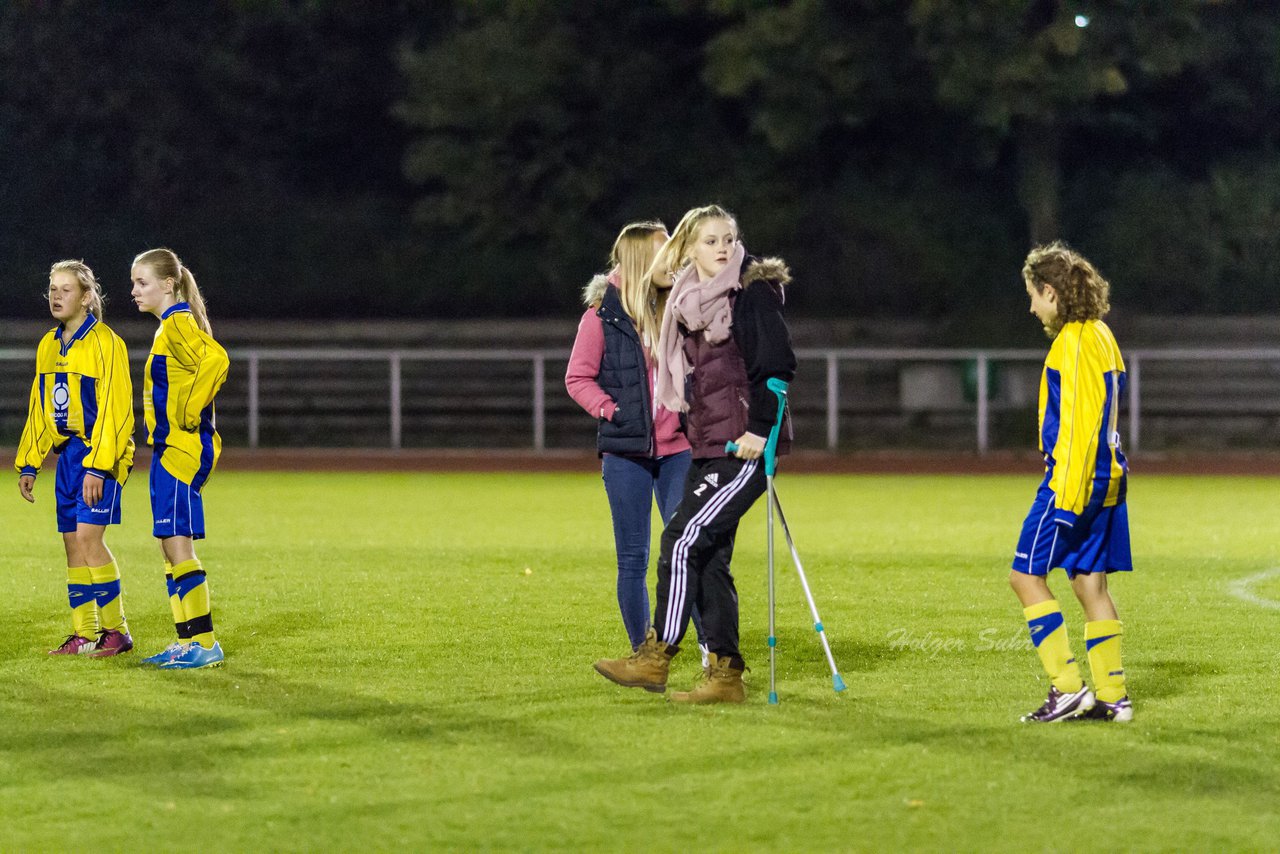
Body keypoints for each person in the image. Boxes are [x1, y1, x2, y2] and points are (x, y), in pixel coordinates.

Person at [593, 204, 796, 704]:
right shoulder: (686, 298)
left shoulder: (750, 293)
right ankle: (726, 676)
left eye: (728, 238)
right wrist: (674, 256)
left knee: (680, 540)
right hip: (707, 443)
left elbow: (777, 365)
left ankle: (656, 656)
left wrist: (760, 428)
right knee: (708, 559)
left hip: (745, 444)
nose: (723, 248)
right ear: (688, 248)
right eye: (709, 240)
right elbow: (653, 274)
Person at [565, 221, 707, 659]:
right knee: (633, 558)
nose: (674, 259)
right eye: (664, 251)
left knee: (689, 550)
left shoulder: (678, 307)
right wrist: (614, 411)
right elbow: (577, 378)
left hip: (679, 450)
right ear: (641, 260)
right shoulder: (600, 318)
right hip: (626, 453)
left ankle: (711, 649)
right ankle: (643, 650)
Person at [1011, 241, 1133, 723]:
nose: (1032, 306)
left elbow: (1081, 429)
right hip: (1108, 480)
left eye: (1034, 296)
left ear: (1051, 292)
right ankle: (1112, 696)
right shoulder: (1101, 334)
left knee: (1024, 577)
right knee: (1090, 586)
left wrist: (1066, 497)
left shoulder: (1074, 343)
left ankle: (1067, 689)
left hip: (1074, 482)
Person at [15, 260, 137, 656]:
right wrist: (30, 461)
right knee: (72, 544)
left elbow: (116, 412)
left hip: (100, 454)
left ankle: (117, 632)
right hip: (67, 456)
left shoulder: (107, 343)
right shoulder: (48, 345)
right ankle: (85, 634)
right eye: (52, 288)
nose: (55, 295)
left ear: (86, 298)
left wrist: (99, 467)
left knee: (88, 539)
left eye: (65, 289)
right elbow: (40, 407)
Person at [130, 248, 231, 670]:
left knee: (178, 545)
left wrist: (188, 410)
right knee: (168, 547)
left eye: (142, 282)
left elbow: (217, 359)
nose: (134, 290)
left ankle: (205, 644)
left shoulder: (178, 323)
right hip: (168, 449)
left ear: (168, 284)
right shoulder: (169, 325)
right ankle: (186, 640)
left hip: (181, 449)